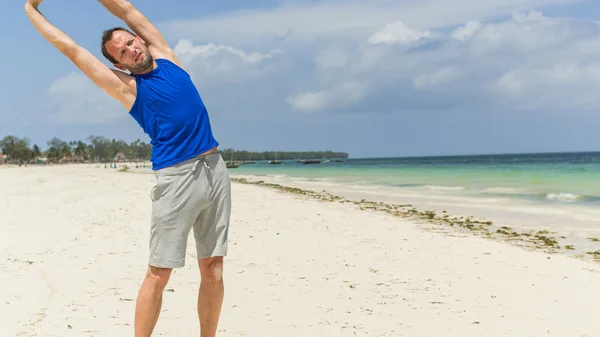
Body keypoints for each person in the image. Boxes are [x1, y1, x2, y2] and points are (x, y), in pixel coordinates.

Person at [24, 1, 231, 336]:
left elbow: (127, 11)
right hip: (177, 179)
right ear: (119, 64)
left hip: (215, 170)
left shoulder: (166, 55)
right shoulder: (129, 88)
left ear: (140, 39)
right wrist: (31, 9)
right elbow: (72, 50)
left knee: (214, 268)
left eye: (130, 42)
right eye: (121, 52)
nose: (131, 50)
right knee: (159, 273)